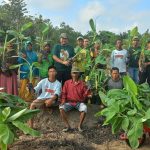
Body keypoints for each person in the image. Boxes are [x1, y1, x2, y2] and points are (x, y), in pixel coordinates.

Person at [59, 67, 90, 132]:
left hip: (79, 102)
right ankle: (67, 126)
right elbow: (64, 93)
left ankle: (79, 126)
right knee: (61, 108)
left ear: (78, 74)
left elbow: (84, 95)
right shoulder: (67, 83)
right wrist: (63, 101)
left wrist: (88, 91)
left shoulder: (82, 83)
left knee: (84, 108)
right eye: (73, 73)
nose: (75, 75)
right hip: (69, 102)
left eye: (76, 73)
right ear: (71, 74)